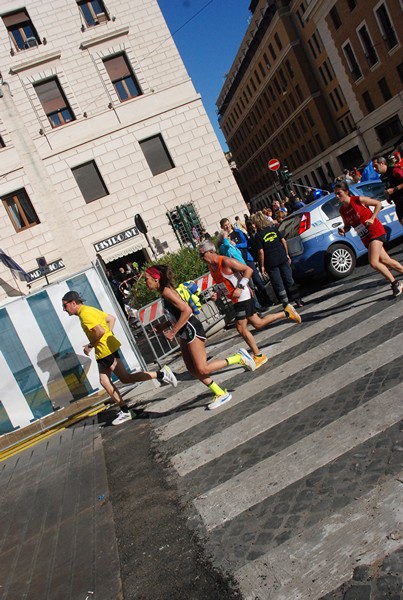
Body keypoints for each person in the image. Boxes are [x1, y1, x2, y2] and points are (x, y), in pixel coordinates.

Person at [144, 265, 256, 410]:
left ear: (156, 279)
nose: (145, 283)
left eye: (147, 279)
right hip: (184, 331)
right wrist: (165, 325)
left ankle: (238, 358)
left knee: (203, 368)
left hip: (191, 329)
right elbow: (177, 313)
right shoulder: (164, 292)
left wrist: (172, 331)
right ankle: (220, 393)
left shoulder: (166, 292)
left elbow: (187, 310)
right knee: (192, 368)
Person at [62, 291, 177, 425]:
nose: (64, 309)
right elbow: (111, 319)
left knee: (125, 378)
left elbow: (100, 331)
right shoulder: (88, 310)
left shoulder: (85, 314)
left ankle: (161, 374)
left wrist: (90, 345)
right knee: (104, 381)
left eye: (65, 305)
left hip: (105, 350)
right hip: (104, 349)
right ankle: (125, 410)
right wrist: (107, 336)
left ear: (73, 303)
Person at [198, 240, 302, 369]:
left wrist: (240, 287)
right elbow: (223, 282)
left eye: (202, 254)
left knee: (241, 328)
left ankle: (258, 356)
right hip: (235, 299)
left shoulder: (225, 261)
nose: (201, 258)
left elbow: (248, 270)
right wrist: (218, 293)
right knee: (258, 323)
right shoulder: (211, 267)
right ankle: (286, 313)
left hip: (242, 297)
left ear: (211, 252)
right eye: (200, 255)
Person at [335, 181, 403, 297]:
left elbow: (378, 204)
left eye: (339, 193)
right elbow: (347, 225)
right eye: (335, 194)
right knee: (386, 260)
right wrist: (343, 229)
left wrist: (372, 218)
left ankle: (395, 283)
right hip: (365, 237)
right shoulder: (342, 210)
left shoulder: (357, 200)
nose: (337, 196)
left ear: (346, 192)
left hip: (375, 231)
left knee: (373, 262)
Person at [252, 213, 304, 308]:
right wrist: (287, 254)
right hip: (281, 256)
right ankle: (298, 300)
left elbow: (261, 252)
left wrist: (262, 265)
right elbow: (283, 241)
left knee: (278, 283)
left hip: (271, 261)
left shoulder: (258, 236)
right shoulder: (274, 229)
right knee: (289, 279)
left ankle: (286, 304)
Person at [219, 217, 270, 310]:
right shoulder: (224, 239)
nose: (227, 226)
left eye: (228, 224)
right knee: (250, 285)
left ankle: (267, 300)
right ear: (222, 227)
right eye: (225, 225)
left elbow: (247, 243)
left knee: (257, 280)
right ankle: (258, 304)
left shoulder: (238, 232)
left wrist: (236, 245)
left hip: (247, 259)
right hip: (239, 264)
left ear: (230, 223)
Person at [372, 156, 403, 226]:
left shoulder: (394, 170)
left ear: (382, 163)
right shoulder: (382, 177)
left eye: (375, 166)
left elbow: (394, 188)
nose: (374, 169)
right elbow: (388, 187)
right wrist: (388, 197)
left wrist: (395, 189)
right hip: (398, 203)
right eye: (373, 167)